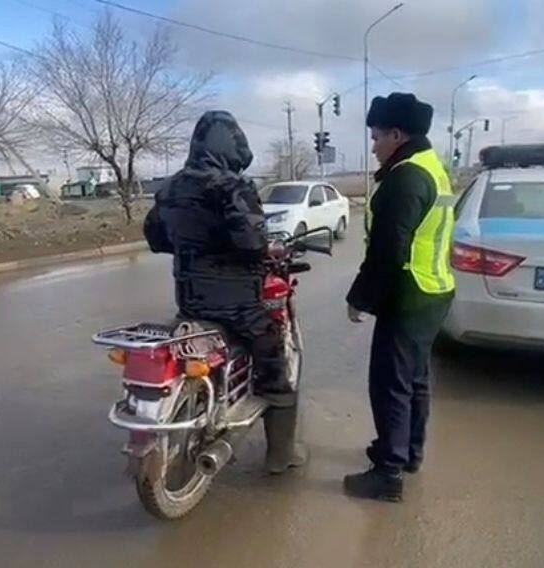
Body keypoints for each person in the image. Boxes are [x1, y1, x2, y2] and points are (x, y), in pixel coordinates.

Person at [143, 110, 306, 474]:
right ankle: (283, 455)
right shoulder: (232, 187)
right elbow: (251, 244)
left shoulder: (169, 187)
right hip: (238, 306)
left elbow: (156, 238)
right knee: (276, 364)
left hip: (189, 302)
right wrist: (266, 250)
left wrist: (192, 247)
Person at [343, 92, 456, 502]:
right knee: (415, 379)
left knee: (390, 382)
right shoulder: (432, 167)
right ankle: (409, 451)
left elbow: (390, 250)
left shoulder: (406, 177)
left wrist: (360, 298)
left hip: (409, 295)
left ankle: (387, 473)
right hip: (435, 289)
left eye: (376, 137)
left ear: (396, 134)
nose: (373, 146)